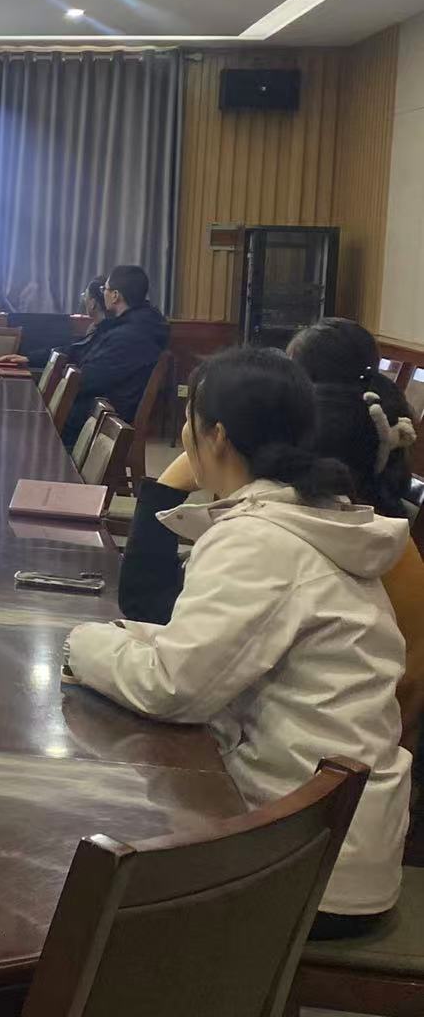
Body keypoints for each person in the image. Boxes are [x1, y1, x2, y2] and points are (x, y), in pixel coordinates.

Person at [66, 346, 413, 935]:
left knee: (87, 887)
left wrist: (81, 642)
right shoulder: (314, 515)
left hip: (306, 865)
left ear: (217, 436)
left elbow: (172, 688)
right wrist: (131, 638)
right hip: (340, 842)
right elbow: (215, 650)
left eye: (189, 421)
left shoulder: (258, 538)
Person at [120, 319, 424, 748]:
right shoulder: (360, 528)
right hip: (355, 759)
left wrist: (168, 486)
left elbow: (161, 629)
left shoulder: (282, 535)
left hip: (315, 768)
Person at [3, 265, 168, 444]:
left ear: (115, 296)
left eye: (105, 289)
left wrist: (52, 380)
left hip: (102, 415)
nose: (103, 293)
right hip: (98, 406)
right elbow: (80, 350)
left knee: (26, 420)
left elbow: (88, 379)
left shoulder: (130, 335)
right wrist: (32, 359)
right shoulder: (130, 325)